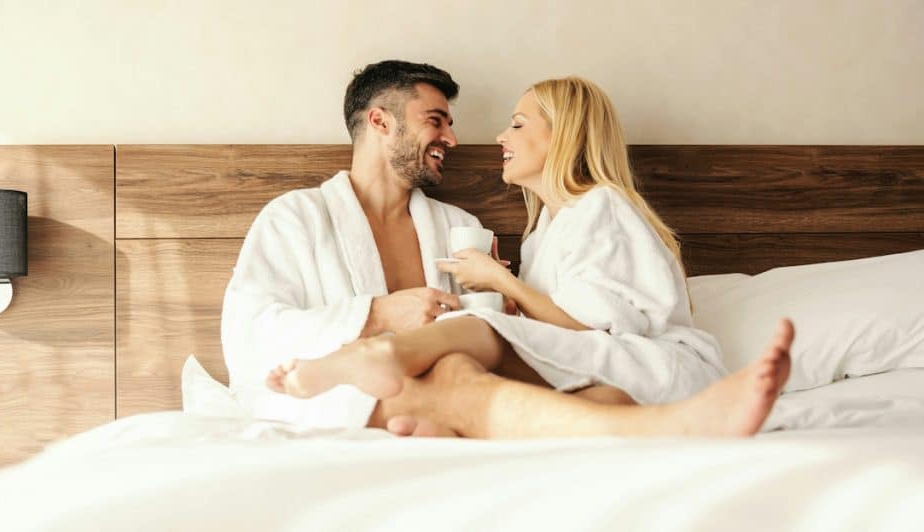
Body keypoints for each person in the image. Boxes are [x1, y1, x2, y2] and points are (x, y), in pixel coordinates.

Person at [265, 76, 795, 438]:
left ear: (562, 136)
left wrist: (502, 284)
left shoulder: (601, 207)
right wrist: (505, 296)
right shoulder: (543, 230)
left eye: (517, 124)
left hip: (649, 361)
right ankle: (450, 420)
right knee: (601, 408)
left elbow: (589, 326)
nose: (494, 135)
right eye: (437, 120)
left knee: (478, 328)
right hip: (598, 374)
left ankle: (383, 356)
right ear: (380, 122)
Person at [221, 59, 480, 428]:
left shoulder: (460, 228)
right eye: (435, 120)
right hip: (337, 413)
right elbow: (249, 337)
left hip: (443, 408)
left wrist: (506, 301)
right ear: (380, 121)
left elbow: (487, 339)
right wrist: (377, 314)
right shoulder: (294, 218)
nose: (451, 139)